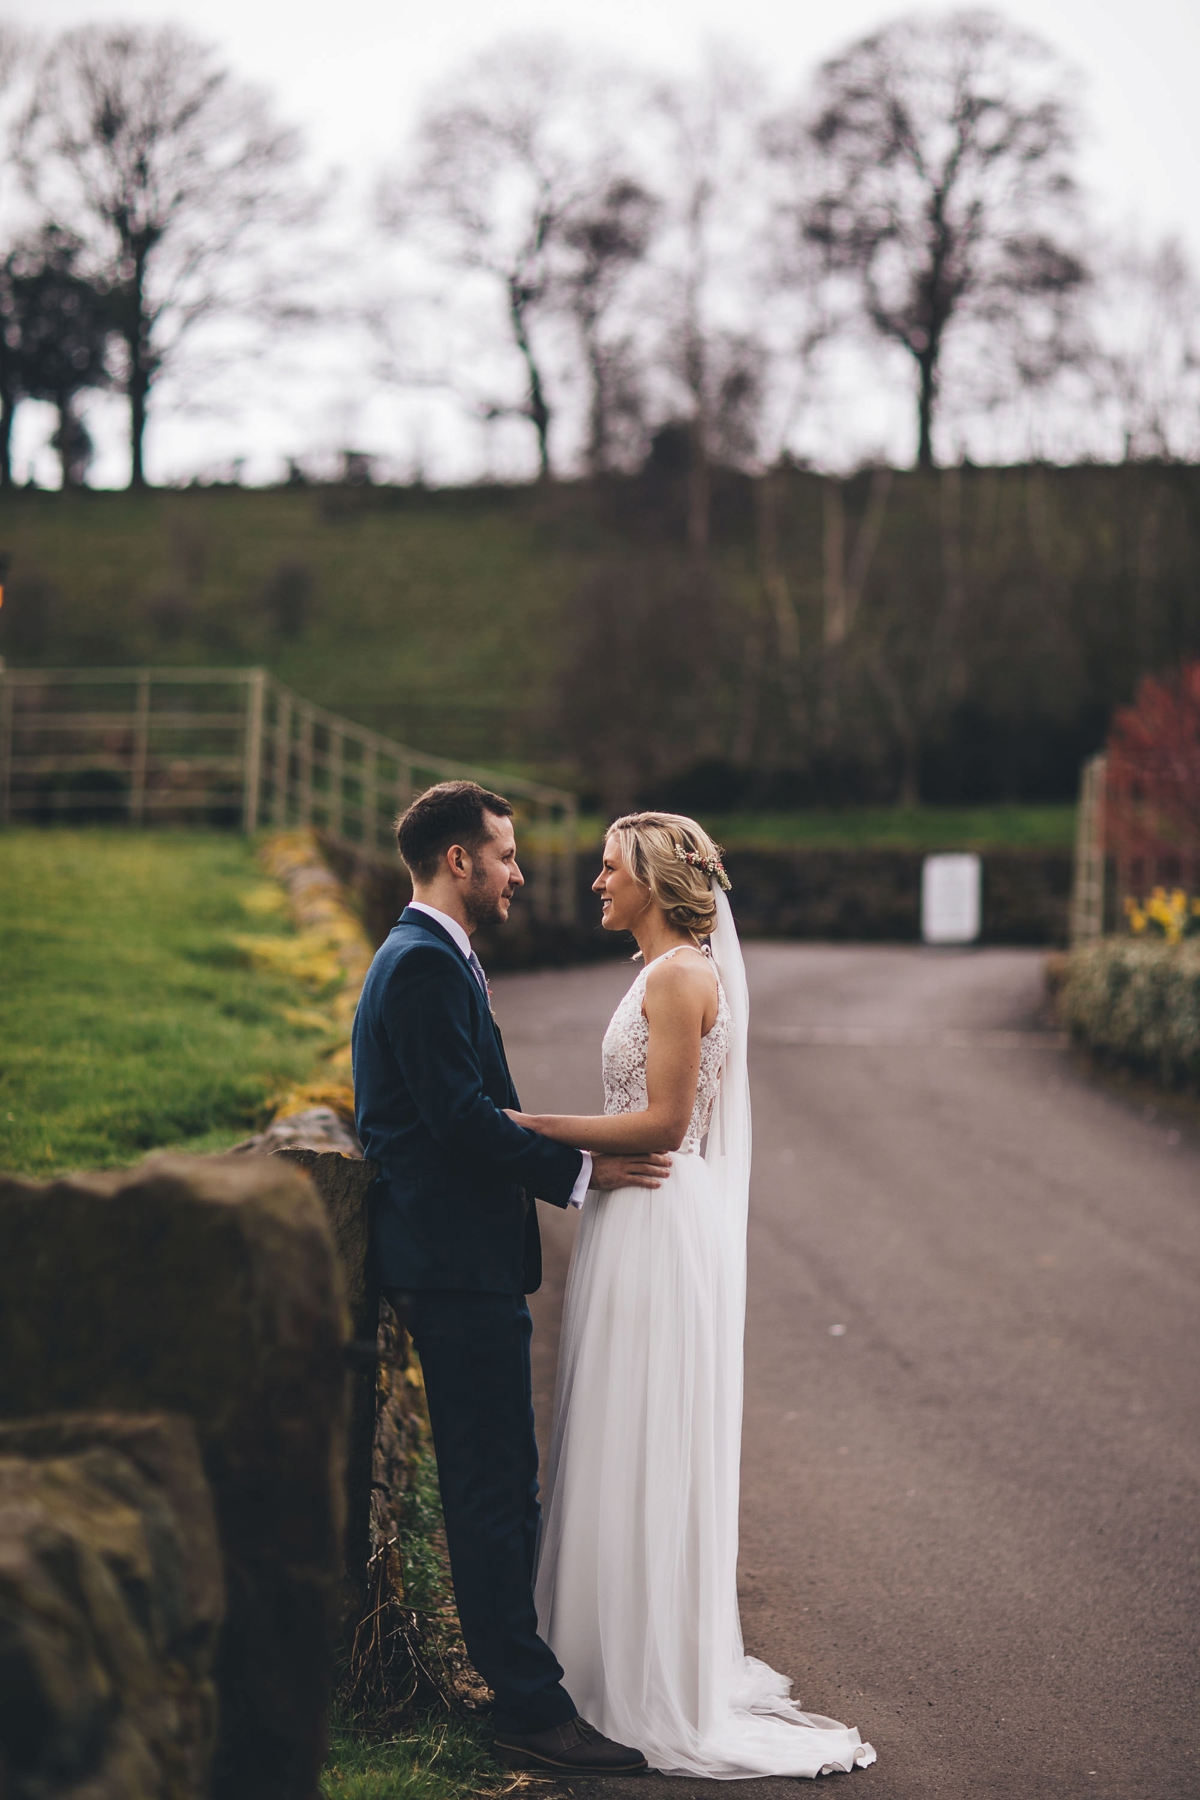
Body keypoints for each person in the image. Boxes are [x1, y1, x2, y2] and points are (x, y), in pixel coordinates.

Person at [509, 811, 877, 1779]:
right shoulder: (657, 972)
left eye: (609, 868)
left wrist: (525, 1131)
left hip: (661, 1226)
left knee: (644, 1436)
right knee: (622, 1436)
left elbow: (665, 1122)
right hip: (643, 1217)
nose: (596, 882)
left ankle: (639, 1679)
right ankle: (600, 1666)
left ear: (654, 883)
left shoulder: (677, 978)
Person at [352, 780, 668, 1775]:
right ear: (461, 861)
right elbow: (455, 1118)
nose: (521, 873)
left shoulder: (435, 958)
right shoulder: (422, 967)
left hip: (457, 1261)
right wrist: (581, 1169)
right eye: (507, 854)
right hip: (452, 1266)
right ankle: (529, 1709)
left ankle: (525, 1683)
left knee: (501, 1485)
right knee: (495, 1490)